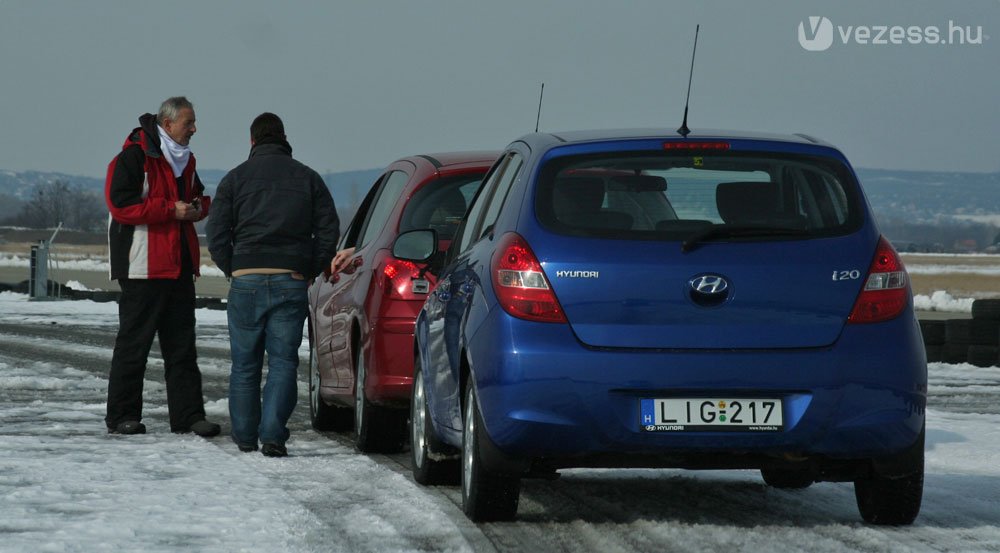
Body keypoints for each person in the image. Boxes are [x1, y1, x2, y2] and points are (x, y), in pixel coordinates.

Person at [207, 112, 340, 457]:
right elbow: (328, 231)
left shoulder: (234, 180)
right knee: (283, 361)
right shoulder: (308, 179)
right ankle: (272, 436)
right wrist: (308, 269)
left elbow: (217, 234)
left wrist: (233, 267)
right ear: (283, 137)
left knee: (244, 362)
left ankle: (245, 436)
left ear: (252, 141)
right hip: (290, 279)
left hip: (246, 278)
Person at [104, 96, 221, 438]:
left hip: (180, 267)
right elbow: (120, 205)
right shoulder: (133, 158)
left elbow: (197, 197)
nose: (195, 129)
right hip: (142, 268)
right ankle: (122, 416)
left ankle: (188, 417)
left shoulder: (186, 161)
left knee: (182, 348)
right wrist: (172, 210)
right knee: (133, 347)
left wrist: (200, 206)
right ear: (168, 125)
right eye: (189, 122)